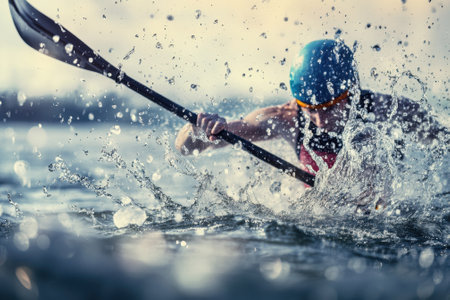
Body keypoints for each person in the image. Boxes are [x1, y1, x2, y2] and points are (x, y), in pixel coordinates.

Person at [175, 39, 446, 188]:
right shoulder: (287, 117)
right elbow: (187, 148)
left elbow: (443, 140)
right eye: (310, 108)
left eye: (328, 108)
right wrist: (199, 128)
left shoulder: (390, 110)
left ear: (351, 93)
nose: (318, 118)